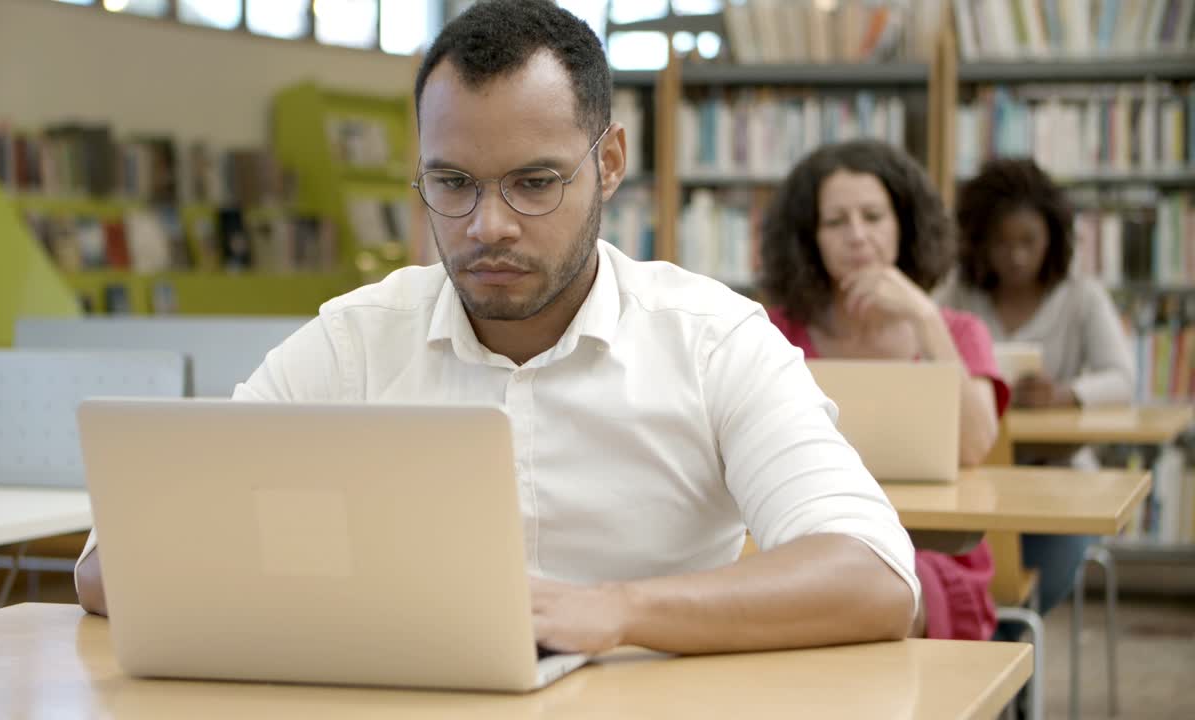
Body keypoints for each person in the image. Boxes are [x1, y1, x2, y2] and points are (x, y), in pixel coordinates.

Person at [75, 0, 918, 655]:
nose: (488, 226)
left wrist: (616, 610)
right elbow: (110, 567)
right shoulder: (355, 341)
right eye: (451, 183)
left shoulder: (713, 340)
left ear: (611, 163)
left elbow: (874, 577)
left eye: (535, 182)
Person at [760, 139, 1008, 641]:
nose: (857, 236)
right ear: (809, 238)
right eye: (835, 221)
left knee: (863, 597)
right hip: (804, 536)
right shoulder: (773, 329)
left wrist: (923, 316)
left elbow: (976, 442)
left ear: (904, 225)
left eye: (873, 216)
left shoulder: (956, 330)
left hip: (931, 550)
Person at [937, 156, 1136, 615]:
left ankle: (1014, 666)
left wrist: (1067, 394)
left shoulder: (1081, 296)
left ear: (1053, 237)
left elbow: (1123, 379)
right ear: (978, 243)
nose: (1016, 256)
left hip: (1059, 478)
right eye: (1001, 243)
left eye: (1029, 241)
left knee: (1027, 587)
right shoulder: (959, 294)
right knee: (953, 563)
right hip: (977, 475)